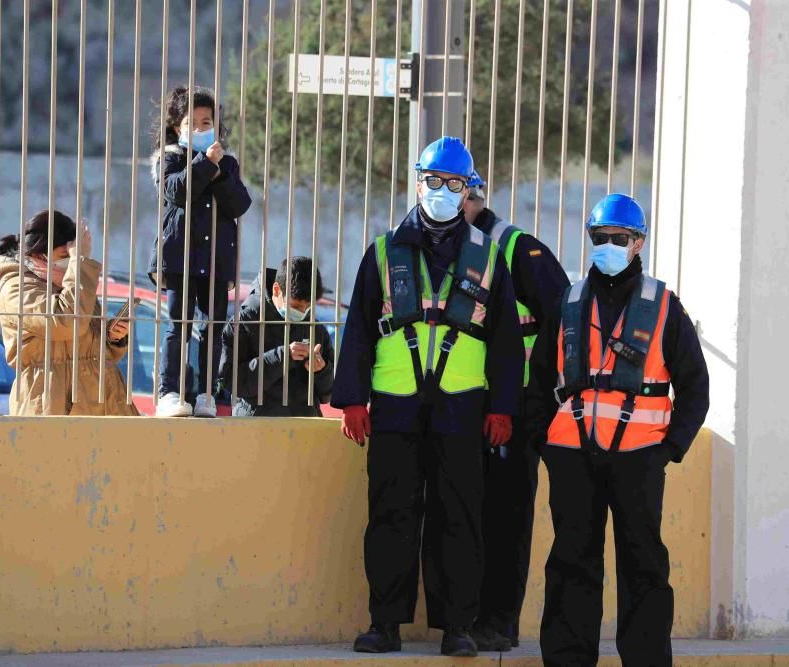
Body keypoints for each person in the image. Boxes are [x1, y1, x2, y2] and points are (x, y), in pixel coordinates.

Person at [332, 136, 523, 658]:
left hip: (463, 408)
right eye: (433, 181)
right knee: (391, 514)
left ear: (468, 191)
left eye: (454, 184)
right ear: (418, 182)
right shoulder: (382, 250)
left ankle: (457, 626)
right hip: (394, 407)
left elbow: (505, 339)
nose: (442, 191)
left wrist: (504, 406)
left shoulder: (489, 256)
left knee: (458, 516)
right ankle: (384, 624)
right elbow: (359, 331)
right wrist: (351, 399)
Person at [526, 194, 710, 667]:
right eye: (600, 238)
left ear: (638, 243)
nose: (608, 246)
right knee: (571, 562)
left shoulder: (664, 305)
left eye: (619, 239)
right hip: (571, 455)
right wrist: (545, 443)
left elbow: (695, 386)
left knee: (643, 565)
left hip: (640, 457)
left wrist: (668, 449)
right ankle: (568, 659)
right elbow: (539, 378)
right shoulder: (567, 301)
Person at [461, 169, 569, 652]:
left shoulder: (516, 247)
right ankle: (468, 616)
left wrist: (542, 396)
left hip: (519, 404)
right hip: (468, 400)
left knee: (506, 516)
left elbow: (561, 319)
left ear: (475, 197)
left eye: (454, 191)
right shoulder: (454, 246)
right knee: (467, 512)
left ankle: (501, 620)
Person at [148, 85, 252, 418]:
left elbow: (239, 204)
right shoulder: (170, 158)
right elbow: (176, 191)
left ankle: (207, 394)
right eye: (191, 123)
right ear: (177, 127)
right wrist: (205, 164)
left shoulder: (228, 163)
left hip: (216, 261)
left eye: (206, 122)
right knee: (178, 325)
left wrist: (219, 170)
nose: (199, 129)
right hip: (180, 258)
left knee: (213, 328)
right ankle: (170, 392)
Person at [0, 210, 139, 416]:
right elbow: (66, 323)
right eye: (65, 256)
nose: (71, 262)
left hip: (103, 400)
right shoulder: (15, 286)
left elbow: (90, 348)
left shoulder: (71, 280)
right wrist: (79, 262)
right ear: (40, 253)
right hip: (54, 402)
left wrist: (112, 338)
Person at [218, 257, 334, 417]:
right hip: (256, 428)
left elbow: (327, 394)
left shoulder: (315, 328)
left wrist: (321, 371)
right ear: (276, 290)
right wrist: (282, 357)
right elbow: (230, 381)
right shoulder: (246, 321)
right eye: (296, 306)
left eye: (308, 307)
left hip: (304, 429)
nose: (302, 312)